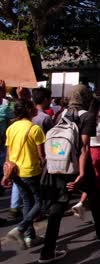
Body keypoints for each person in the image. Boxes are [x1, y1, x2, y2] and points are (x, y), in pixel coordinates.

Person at [39, 84, 100, 263]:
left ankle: (47, 251)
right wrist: (81, 173)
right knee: (95, 197)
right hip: (80, 167)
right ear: (85, 97)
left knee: (58, 205)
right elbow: (84, 147)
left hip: (58, 164)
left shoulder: (61, 114)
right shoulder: (87, 116)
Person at [2, 99, 45, 249]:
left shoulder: (11, 128)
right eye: (33, 106)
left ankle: (30, 237)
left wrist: (6, 173)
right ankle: (21, 228)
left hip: (15, 171)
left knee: (27, 201)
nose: (35, 109)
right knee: (40, 201)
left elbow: (9, 152)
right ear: (28, 109)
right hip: (31, 170)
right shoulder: (35, 129)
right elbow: (42, 156)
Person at [71, 98, 100, 220]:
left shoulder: (80, 120)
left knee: (91, 182)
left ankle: (81, 204)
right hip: (98, 152)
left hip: (84, 153)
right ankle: (98, 212)